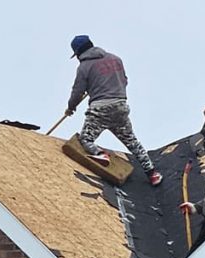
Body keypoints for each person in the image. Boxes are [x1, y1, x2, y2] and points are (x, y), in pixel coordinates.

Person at [66, 35, 163, 186]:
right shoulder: (115, 59)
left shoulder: (84, 67)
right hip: (120, 107)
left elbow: (77, 91)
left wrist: (71, 107)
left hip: (100, 109)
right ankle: (152, 173)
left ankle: (100, 154)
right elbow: (125, 80)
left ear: (78, 53)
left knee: (86, 139)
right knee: (132, 141)